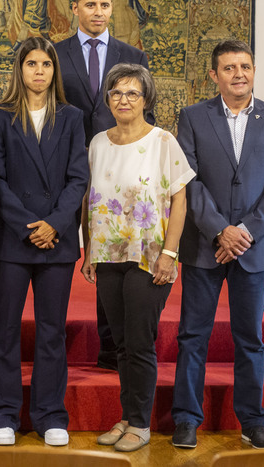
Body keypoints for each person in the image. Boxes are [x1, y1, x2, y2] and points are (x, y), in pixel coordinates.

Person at [171, 40, 264, 450]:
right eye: (228, 68)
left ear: (254, 70)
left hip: (252, 248)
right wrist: (219, 230)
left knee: (250, 338)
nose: (238, 73)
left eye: (244, 66)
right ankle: (186, 418)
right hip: (206, 245)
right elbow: (189, 178)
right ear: (214, 75)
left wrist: (245, 233)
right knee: (193, 335)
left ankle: (253, 420)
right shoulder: (191, 117)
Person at [81, 63, 193, 453]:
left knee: (140, 342)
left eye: (132, 93)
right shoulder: (97, 143)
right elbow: (88, 201)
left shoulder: (163, 141)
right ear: (107, 99)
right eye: (116, 93)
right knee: (121, 343)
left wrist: (170, 253)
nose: (123, 99)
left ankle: (142, 424)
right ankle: (127, 416)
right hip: (109, 254)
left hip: (149, 257)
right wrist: (88, 250)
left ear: (146, 99)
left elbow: (180, 198)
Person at [0, 37, 88, 447]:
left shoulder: (72, 117)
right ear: (19, 69)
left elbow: (78, 177)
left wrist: (56, 224)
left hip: (57, 240)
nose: (39, 71)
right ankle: (2, 413)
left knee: (51, 331)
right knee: (4, 329)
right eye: (31, 64)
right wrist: (30, 225)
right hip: (12, 238)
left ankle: (49, 414)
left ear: (54, 70)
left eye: (46, 64)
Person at [55, 0, 151, 372]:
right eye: (91, 5)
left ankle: (113, 349)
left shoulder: (132, 55)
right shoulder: (55, 55)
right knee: (70, 252)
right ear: (74, 8)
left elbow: (147, 112)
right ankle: (51, 340)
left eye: (105, 5)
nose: (99, 12)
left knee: (115, 255)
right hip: (65, 165)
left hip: (120, 168)